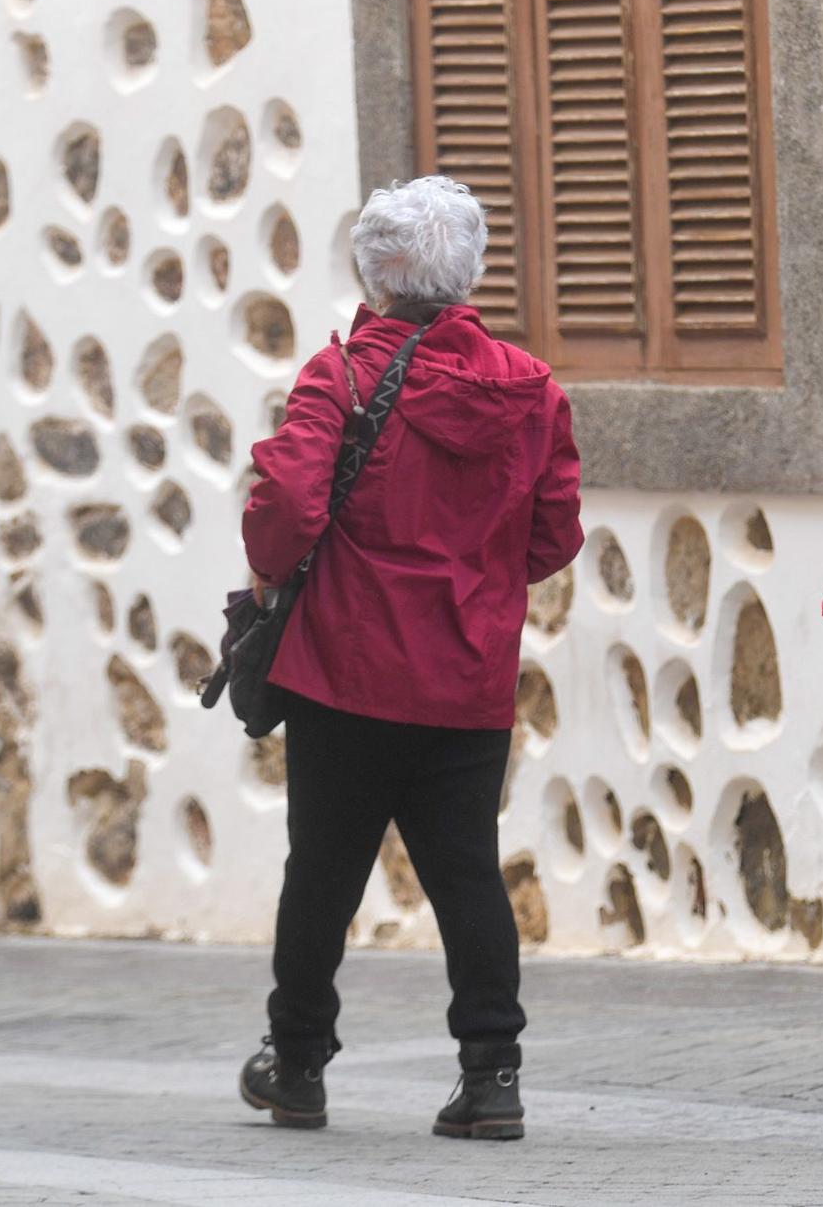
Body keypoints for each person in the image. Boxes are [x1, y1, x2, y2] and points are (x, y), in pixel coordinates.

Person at [235, 176, 583, 1138]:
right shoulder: (531, 390)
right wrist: (479, 577)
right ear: (467, 271)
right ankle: (492, 1079)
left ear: (374, 274)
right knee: (469, 874)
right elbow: (553, 536)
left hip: (344, 676)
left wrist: (272, 574)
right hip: (467, 680)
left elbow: (284, 511)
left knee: (323, 875)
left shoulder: (338, 376)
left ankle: (297, 1063)